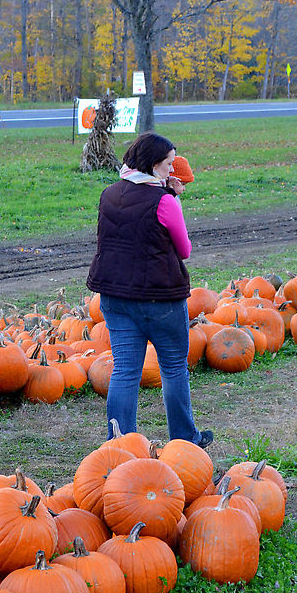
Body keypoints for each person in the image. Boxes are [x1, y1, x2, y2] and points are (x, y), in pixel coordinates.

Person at [87, 131, 213, 448]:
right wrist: (172, 198)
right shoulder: (164, 201)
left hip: (114, 295)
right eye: (169, 164)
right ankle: (185, 439)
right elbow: (184, 249)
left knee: (125, 371)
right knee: (173, 369)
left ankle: (118, 443)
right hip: (159, 299)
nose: (173, 170)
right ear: (154, 165)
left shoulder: (109, 194)